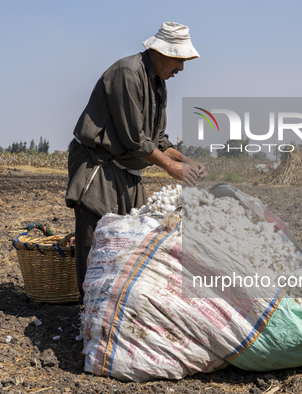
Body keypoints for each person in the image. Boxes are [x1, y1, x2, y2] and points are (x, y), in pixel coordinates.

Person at [65, 22, 207, 300]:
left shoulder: (159, 85)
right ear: (160, 52)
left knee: (126, 237)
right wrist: (170, 166)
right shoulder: (127, 73)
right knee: (94, 235)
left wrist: (186, 161)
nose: (181, 68)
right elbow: (134, 139)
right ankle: (89, 304)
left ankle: (116, 301)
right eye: (178, 59)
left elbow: (158, 139)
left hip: (125, 168)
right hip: (99, 164)